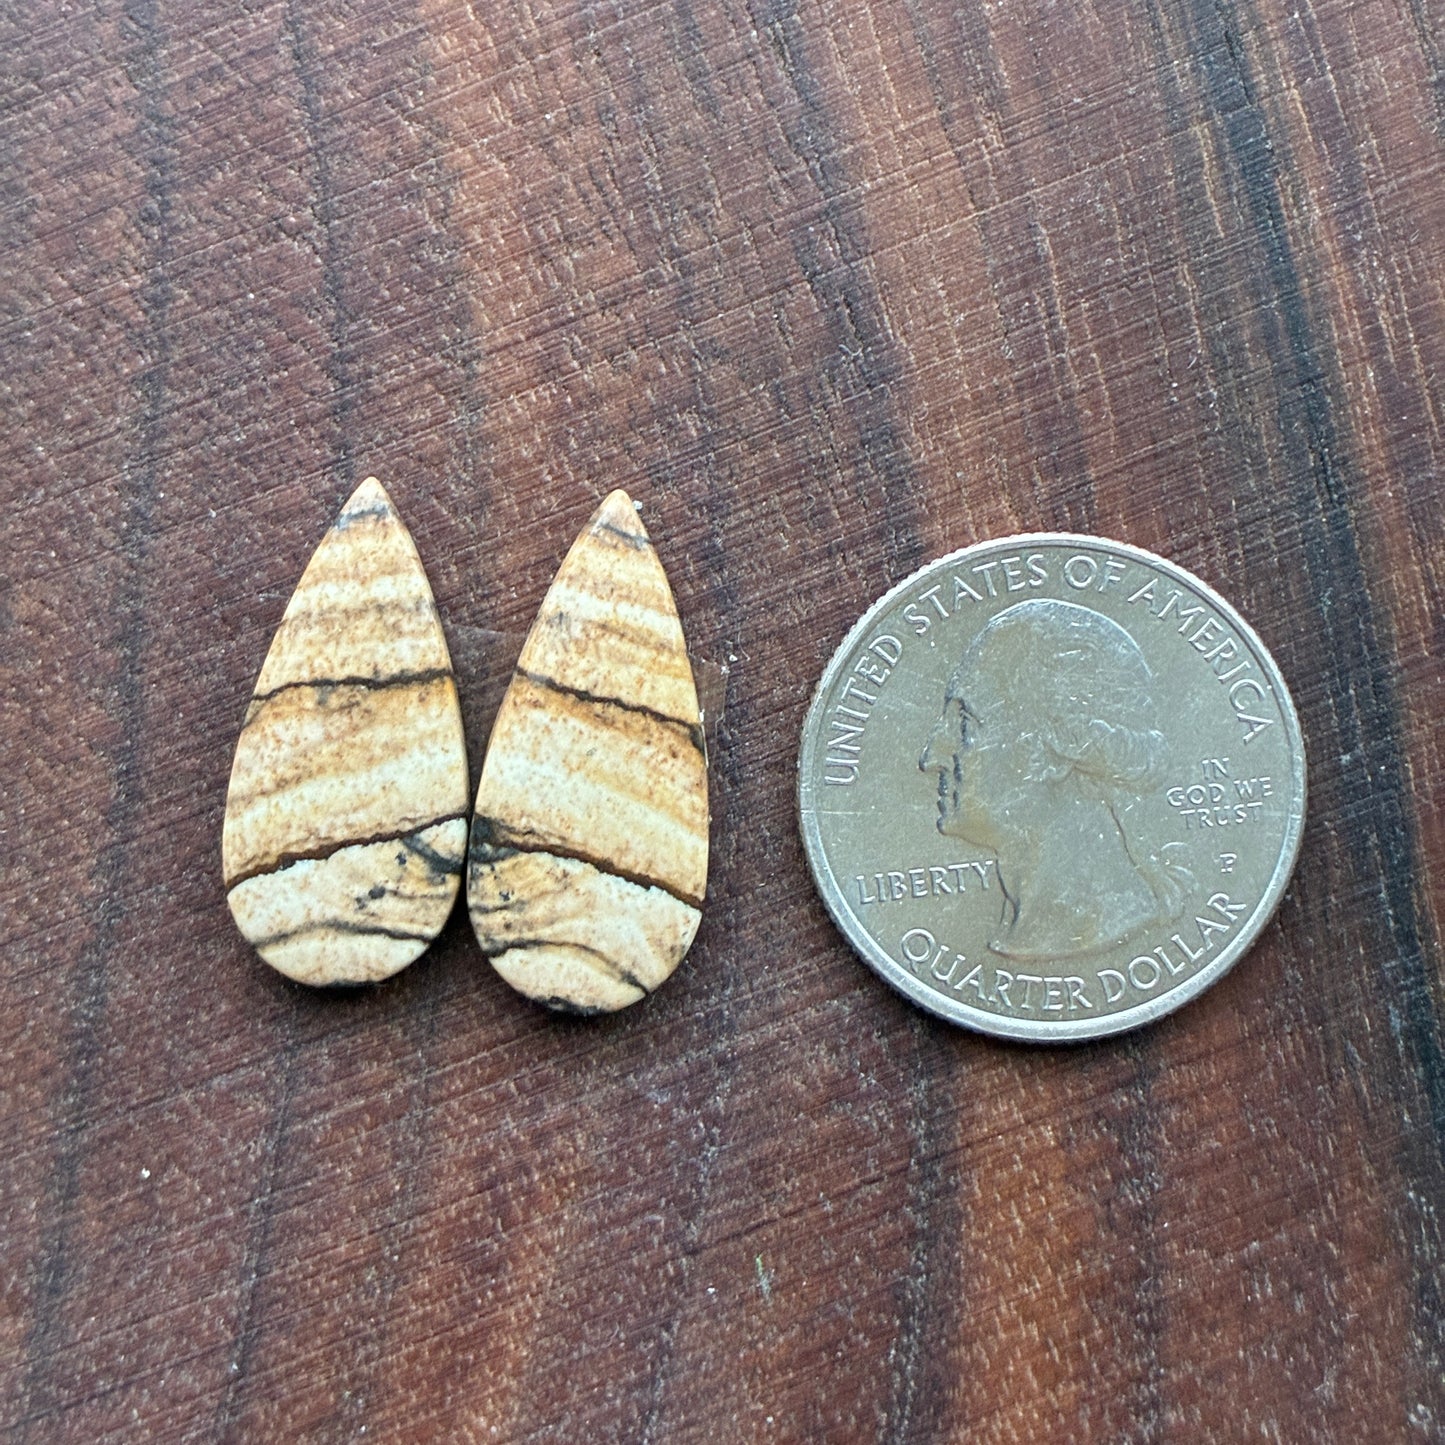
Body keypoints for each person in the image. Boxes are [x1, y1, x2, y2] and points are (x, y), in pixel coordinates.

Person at [919, 598, 1190, 960]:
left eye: (966, 722)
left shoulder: (1103, 923)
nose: (931, 758)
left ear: (1059, 748)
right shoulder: (1027, 928)